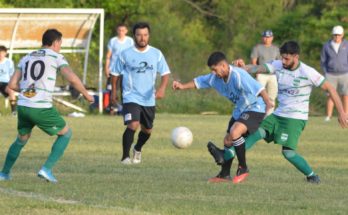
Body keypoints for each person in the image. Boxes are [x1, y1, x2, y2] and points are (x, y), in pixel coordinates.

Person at [234, 41, 348, 184]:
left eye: (287, 58)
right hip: (278, 114)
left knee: (288, 153)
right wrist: (244, 68)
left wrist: (342, 113)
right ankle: (230, 153)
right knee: (257, 132)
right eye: (282, 57)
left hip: (295, 118)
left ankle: (312, 176)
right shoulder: (278, 65)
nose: (283, 61)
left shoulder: (307, 72)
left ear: (296, 57)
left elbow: (331, 89)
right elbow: (258, 68)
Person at [0, 29, 94, 183]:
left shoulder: (26, 57)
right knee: (66, 133)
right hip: (40, 106)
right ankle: (46, 169)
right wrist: (86, 93)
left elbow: (11, 85)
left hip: (23, 105)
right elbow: (72, 78)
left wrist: (27, 90)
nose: (60, 47)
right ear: (56, 42)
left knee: (21, 139)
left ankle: (4, 173)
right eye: (60, 44)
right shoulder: (56, 57)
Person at [172, 51, 273, 183]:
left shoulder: (238, 75)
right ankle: (224, 174)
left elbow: (259, 88)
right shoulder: (215, 78)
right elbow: (199, 81)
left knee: (235, 132)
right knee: (227, 141)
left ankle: (243, 167)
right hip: (240, 110)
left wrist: (268, 103)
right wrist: (182, 86)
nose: (214, 73)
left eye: (215, 69)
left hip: (255, 107)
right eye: (212, 70)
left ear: (224, 65)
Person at [110, 22, 170, 164]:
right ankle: (125, 157)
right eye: (139, 35)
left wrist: (161, 88)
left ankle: (138, 148)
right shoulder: (125, 54)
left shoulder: (156, 53)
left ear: (149, 36)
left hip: (149, 98)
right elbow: (114, 74)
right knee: (133, 124)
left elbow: (165, 73)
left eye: (145, 35)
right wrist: (113, 92)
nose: (142, 38)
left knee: (147, 130)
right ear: (134, 36)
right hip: (131, 96)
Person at [320, 25, 348, 122]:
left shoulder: (346, 44)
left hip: (345, 73)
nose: (337, 37)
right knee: (330, 95)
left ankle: (346, 115)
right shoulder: (326, 45)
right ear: (332, 35)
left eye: (339, 35)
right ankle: (329, 116)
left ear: (342, 35)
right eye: (335, 35)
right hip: (330, 74)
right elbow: (323, 60)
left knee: (345, 95)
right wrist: (325, 72)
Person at [250, 30, 281, 115]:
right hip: (261, 74)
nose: (266, 39)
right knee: (259, 95)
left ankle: (269, 115)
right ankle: (257, 113)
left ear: (272, 38)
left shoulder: (276, 49)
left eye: (268, 37)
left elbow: (279, 62)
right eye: (264, 37)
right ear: (262, 38)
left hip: (272, 75)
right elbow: (254, 61)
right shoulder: (257, 48)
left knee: (272, 96)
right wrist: (256, 72)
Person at [0, 45, 16, 115]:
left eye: (2, 52)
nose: (1, 54)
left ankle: (14, 111)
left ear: (5, 53)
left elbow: (12, 75)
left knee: (11, 91)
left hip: (5, 83)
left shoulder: (9, 62)